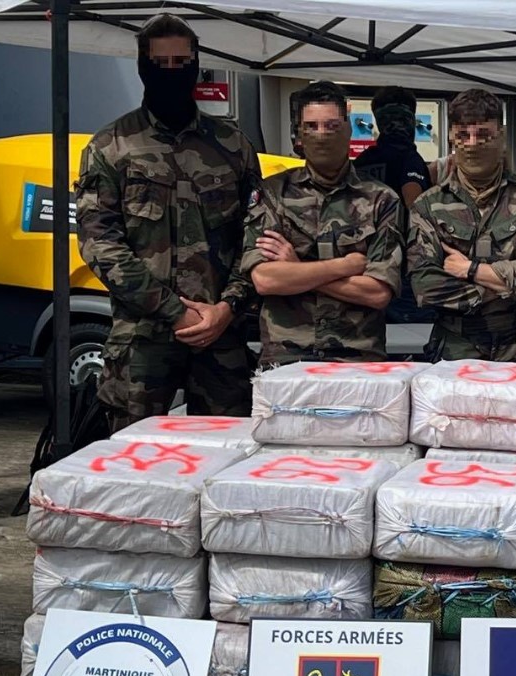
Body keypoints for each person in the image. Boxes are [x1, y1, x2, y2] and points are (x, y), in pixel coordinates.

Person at [76, 13, 259, 432]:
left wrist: (228, 308)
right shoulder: (112, 146)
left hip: (221, 334)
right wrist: (175, 312)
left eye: (183, 62)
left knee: (228, 453)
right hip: (143, 336)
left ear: (197, 64)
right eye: (162, 64)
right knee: (132, 460)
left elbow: (257, 235)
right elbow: (99, 244)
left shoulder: (232, 145)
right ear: (142, 66)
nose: (173, 73)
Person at [241, 81, 402, 366]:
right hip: (287, 356)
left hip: (358, 357)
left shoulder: (381, 199)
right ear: (299, 134)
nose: (322, 135)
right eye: (311, 127)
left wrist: (296, 269)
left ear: (349, 129)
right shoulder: (273, 192)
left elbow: (377, 293)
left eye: (331, 126)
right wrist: (344, 266)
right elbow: (265, 279)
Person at [407, 88, 516, 361]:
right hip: (453, 351)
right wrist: (506, 287)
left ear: (501, 137)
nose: (472, 144)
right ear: (451, 138)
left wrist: (470, 270)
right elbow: (425, 287)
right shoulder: (428, 205)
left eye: (483, 135)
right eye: (463, 135)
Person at [351, 86, 435, 326]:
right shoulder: (409, 158)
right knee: (412, 343)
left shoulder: (363, 160)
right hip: (401, 265)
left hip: (362, 261)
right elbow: (414, 204)